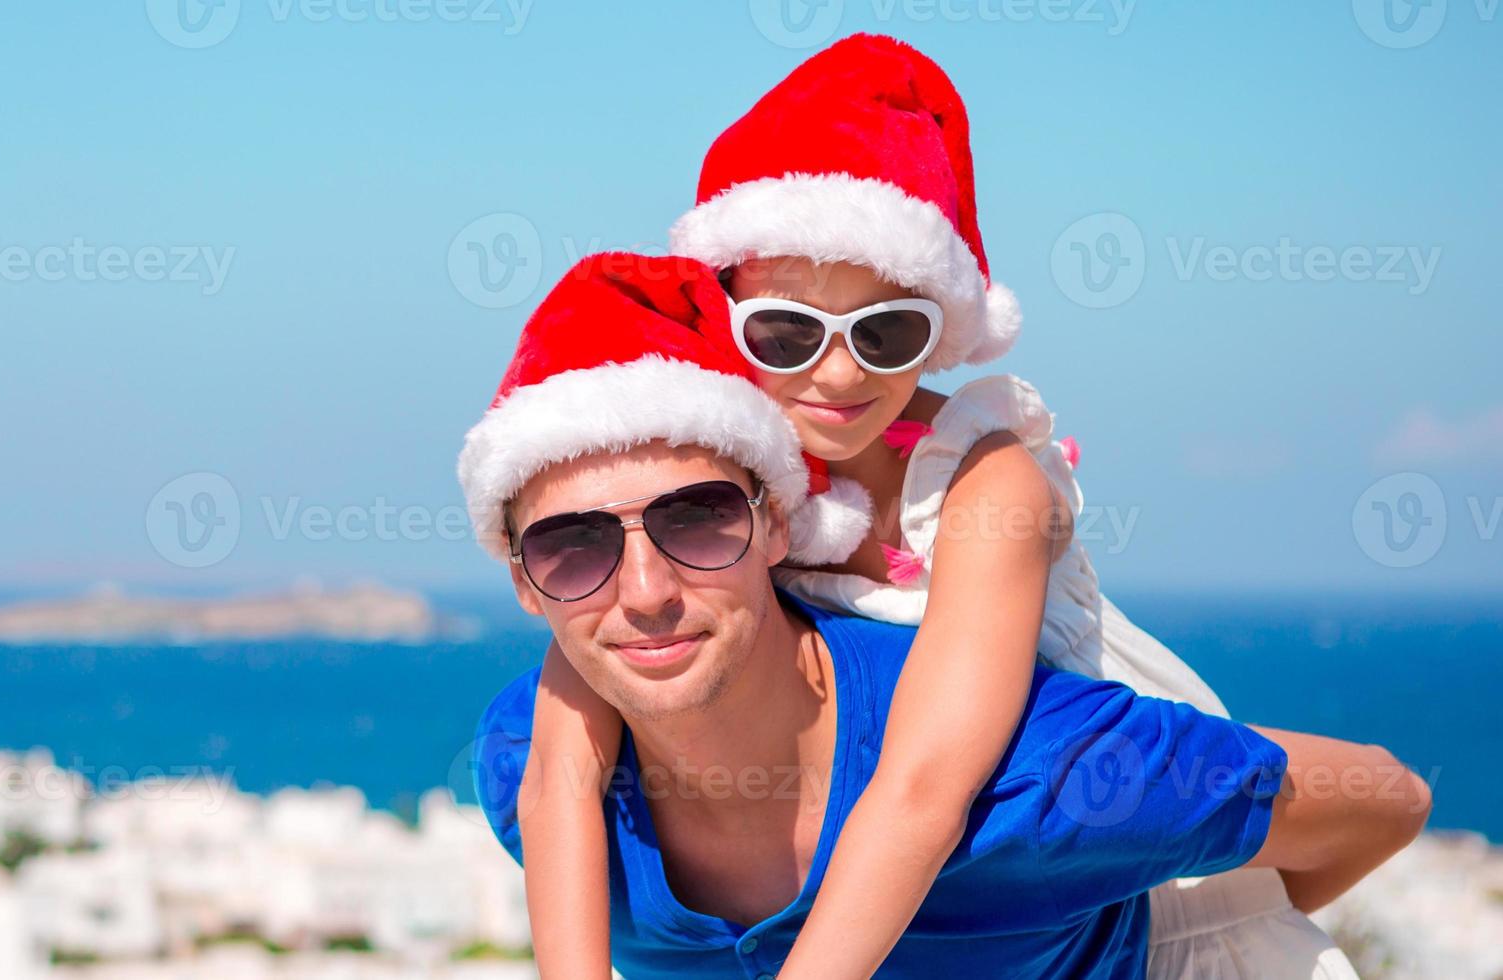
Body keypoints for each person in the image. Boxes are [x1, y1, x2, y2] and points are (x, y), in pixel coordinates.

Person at [515, 34, 1368, 979]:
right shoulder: (711, 486)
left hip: (1129, 872)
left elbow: (924, 785)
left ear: (943, 327)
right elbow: (561, 762)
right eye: (787, 331)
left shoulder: (982, 479)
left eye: (885, 332)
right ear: (726, 315)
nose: (836, 373)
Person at [458, 251, 1429, 979]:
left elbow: (1386, 796)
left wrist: (1194, 916)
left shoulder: (1052, 777)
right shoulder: (533, 775)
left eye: (698, 519)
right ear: (523, 580)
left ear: (778, 524)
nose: (644, 590)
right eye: (572, 548)